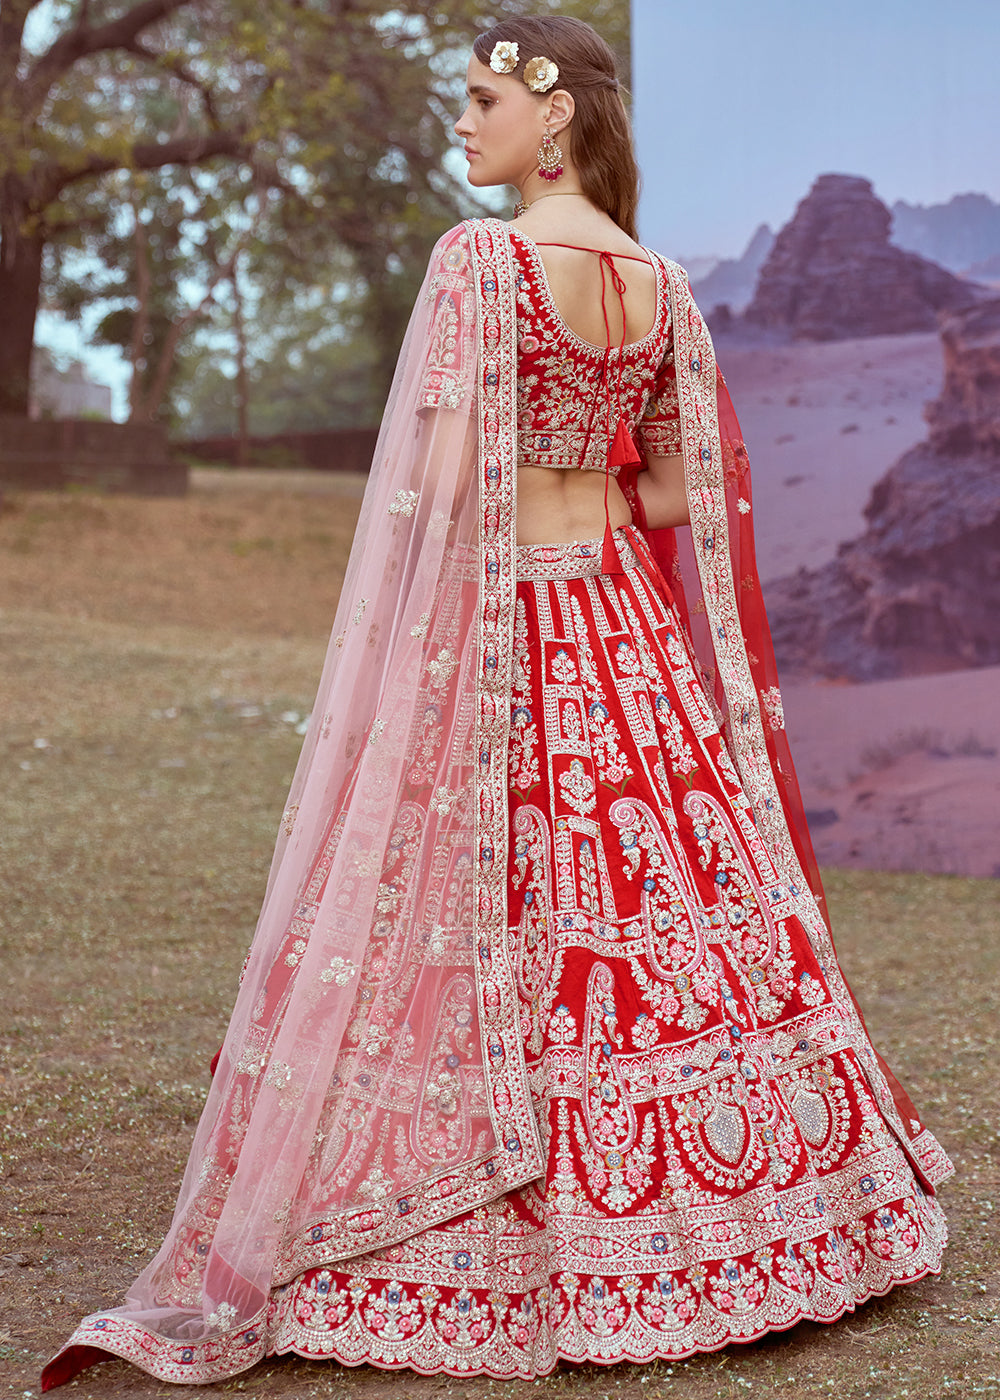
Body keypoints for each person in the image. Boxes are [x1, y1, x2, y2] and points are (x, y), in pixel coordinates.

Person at [43, 15, 951, 1389]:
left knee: (480, 907)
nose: (462, 126)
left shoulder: (483, 263)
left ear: (556, 116)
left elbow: (450, 490)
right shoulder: (662, 284)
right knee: (666, 910)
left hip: (511, 626)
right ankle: (759, 1218)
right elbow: (672, 488)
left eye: (479, 101)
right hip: (624, 631)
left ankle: (496, 1221)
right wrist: (584, 495)